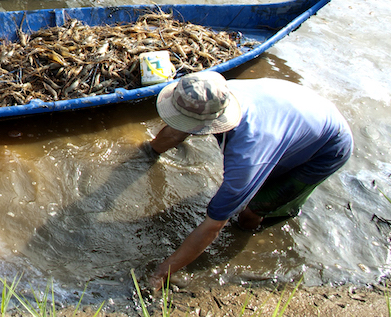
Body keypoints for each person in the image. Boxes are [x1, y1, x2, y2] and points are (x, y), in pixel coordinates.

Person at [145, 71, 353, 290]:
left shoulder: (247, 157)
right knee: (253, 183)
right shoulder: (210, 94)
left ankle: (259, 224)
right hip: (297, 116)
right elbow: (178, 129)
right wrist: (148, 152)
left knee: (250, 212)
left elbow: (212, 227)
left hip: (327, 148)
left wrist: (162, 271)